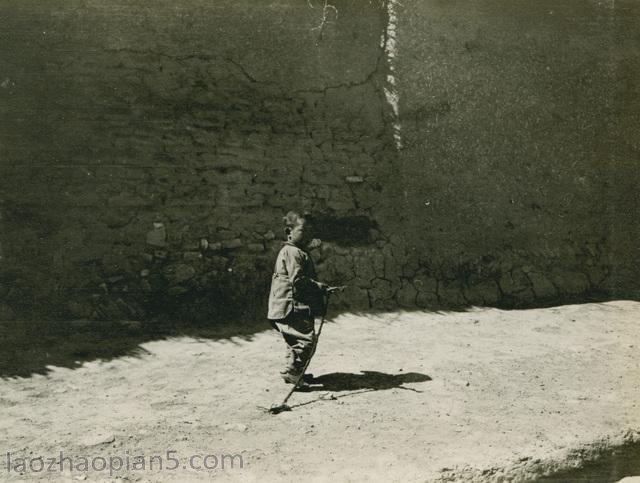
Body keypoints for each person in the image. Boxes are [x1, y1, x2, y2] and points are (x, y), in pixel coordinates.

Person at [267, 211, 338, 391]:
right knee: (306, 341)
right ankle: (293, 371)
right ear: (288, 231)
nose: (308, 235)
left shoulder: (296, 251)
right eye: (303, 230)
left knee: (295, 340)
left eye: (310, 231)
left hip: (288, 305)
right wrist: (319, 287)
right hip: (291, 306)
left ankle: (294, 369)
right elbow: (298, 281)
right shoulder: (293, 252)